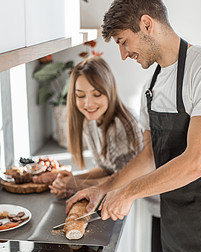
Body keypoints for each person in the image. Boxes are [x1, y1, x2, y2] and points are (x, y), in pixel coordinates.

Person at [66, 1, 201, 252]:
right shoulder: (151, 85)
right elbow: (149, 156)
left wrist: (129, 192)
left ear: (147, 24)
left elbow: (195, 163)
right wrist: (104, 188)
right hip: (169, 220)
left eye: (124, 42)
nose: (123, 55)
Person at [33, 55, 142, 199]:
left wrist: (75, 184)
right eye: (80, 95)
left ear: (110, 91)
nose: (88, 104)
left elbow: (122, 180)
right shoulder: (90, 122)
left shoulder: (121, 124)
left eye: (96, 94)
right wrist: (72, 180)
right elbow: (106, 169)